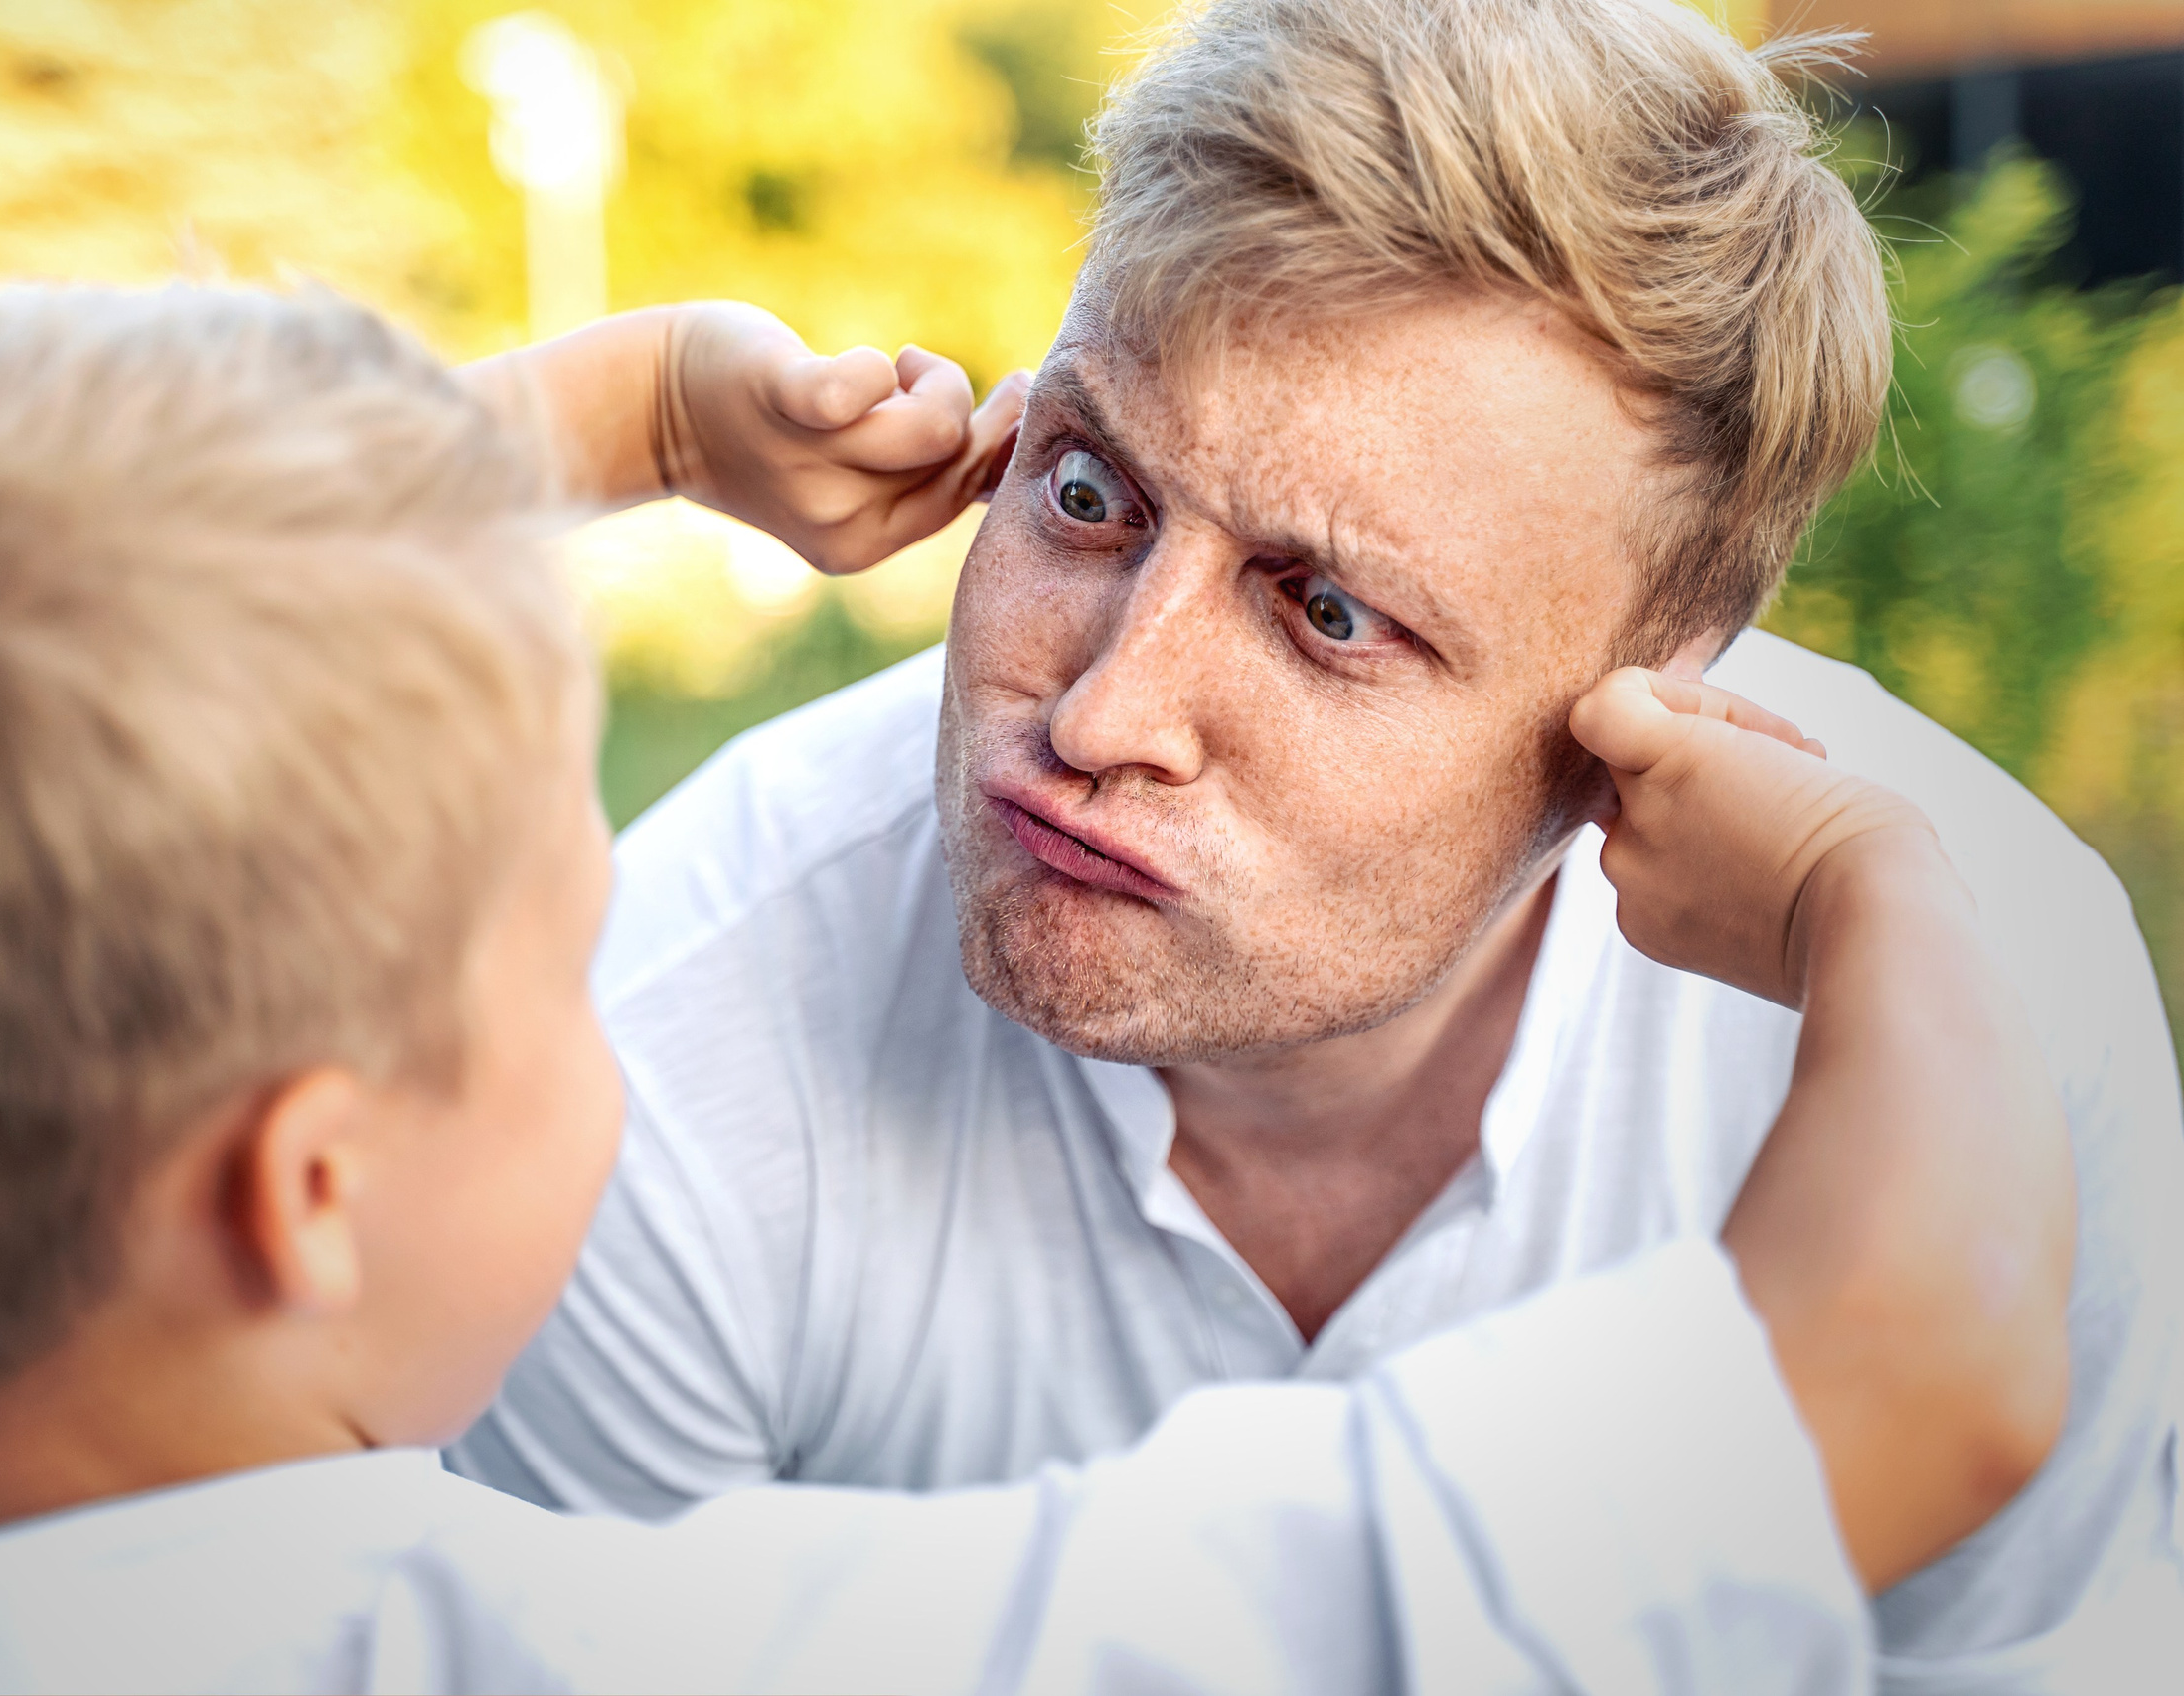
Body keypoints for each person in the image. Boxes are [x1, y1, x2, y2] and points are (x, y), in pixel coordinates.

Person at [0, 281, 2072, 1693]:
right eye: (574, 956)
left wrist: (619, 418)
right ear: (309, 1184)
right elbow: (1906, 1369)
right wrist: (1886, 879)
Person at [459, 2, 2184, 1686]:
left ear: (1649, 709)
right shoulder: (657, 1049)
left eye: (1331, 612)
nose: (1100, 716)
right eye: (1085, 492)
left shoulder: (1976, 1020)